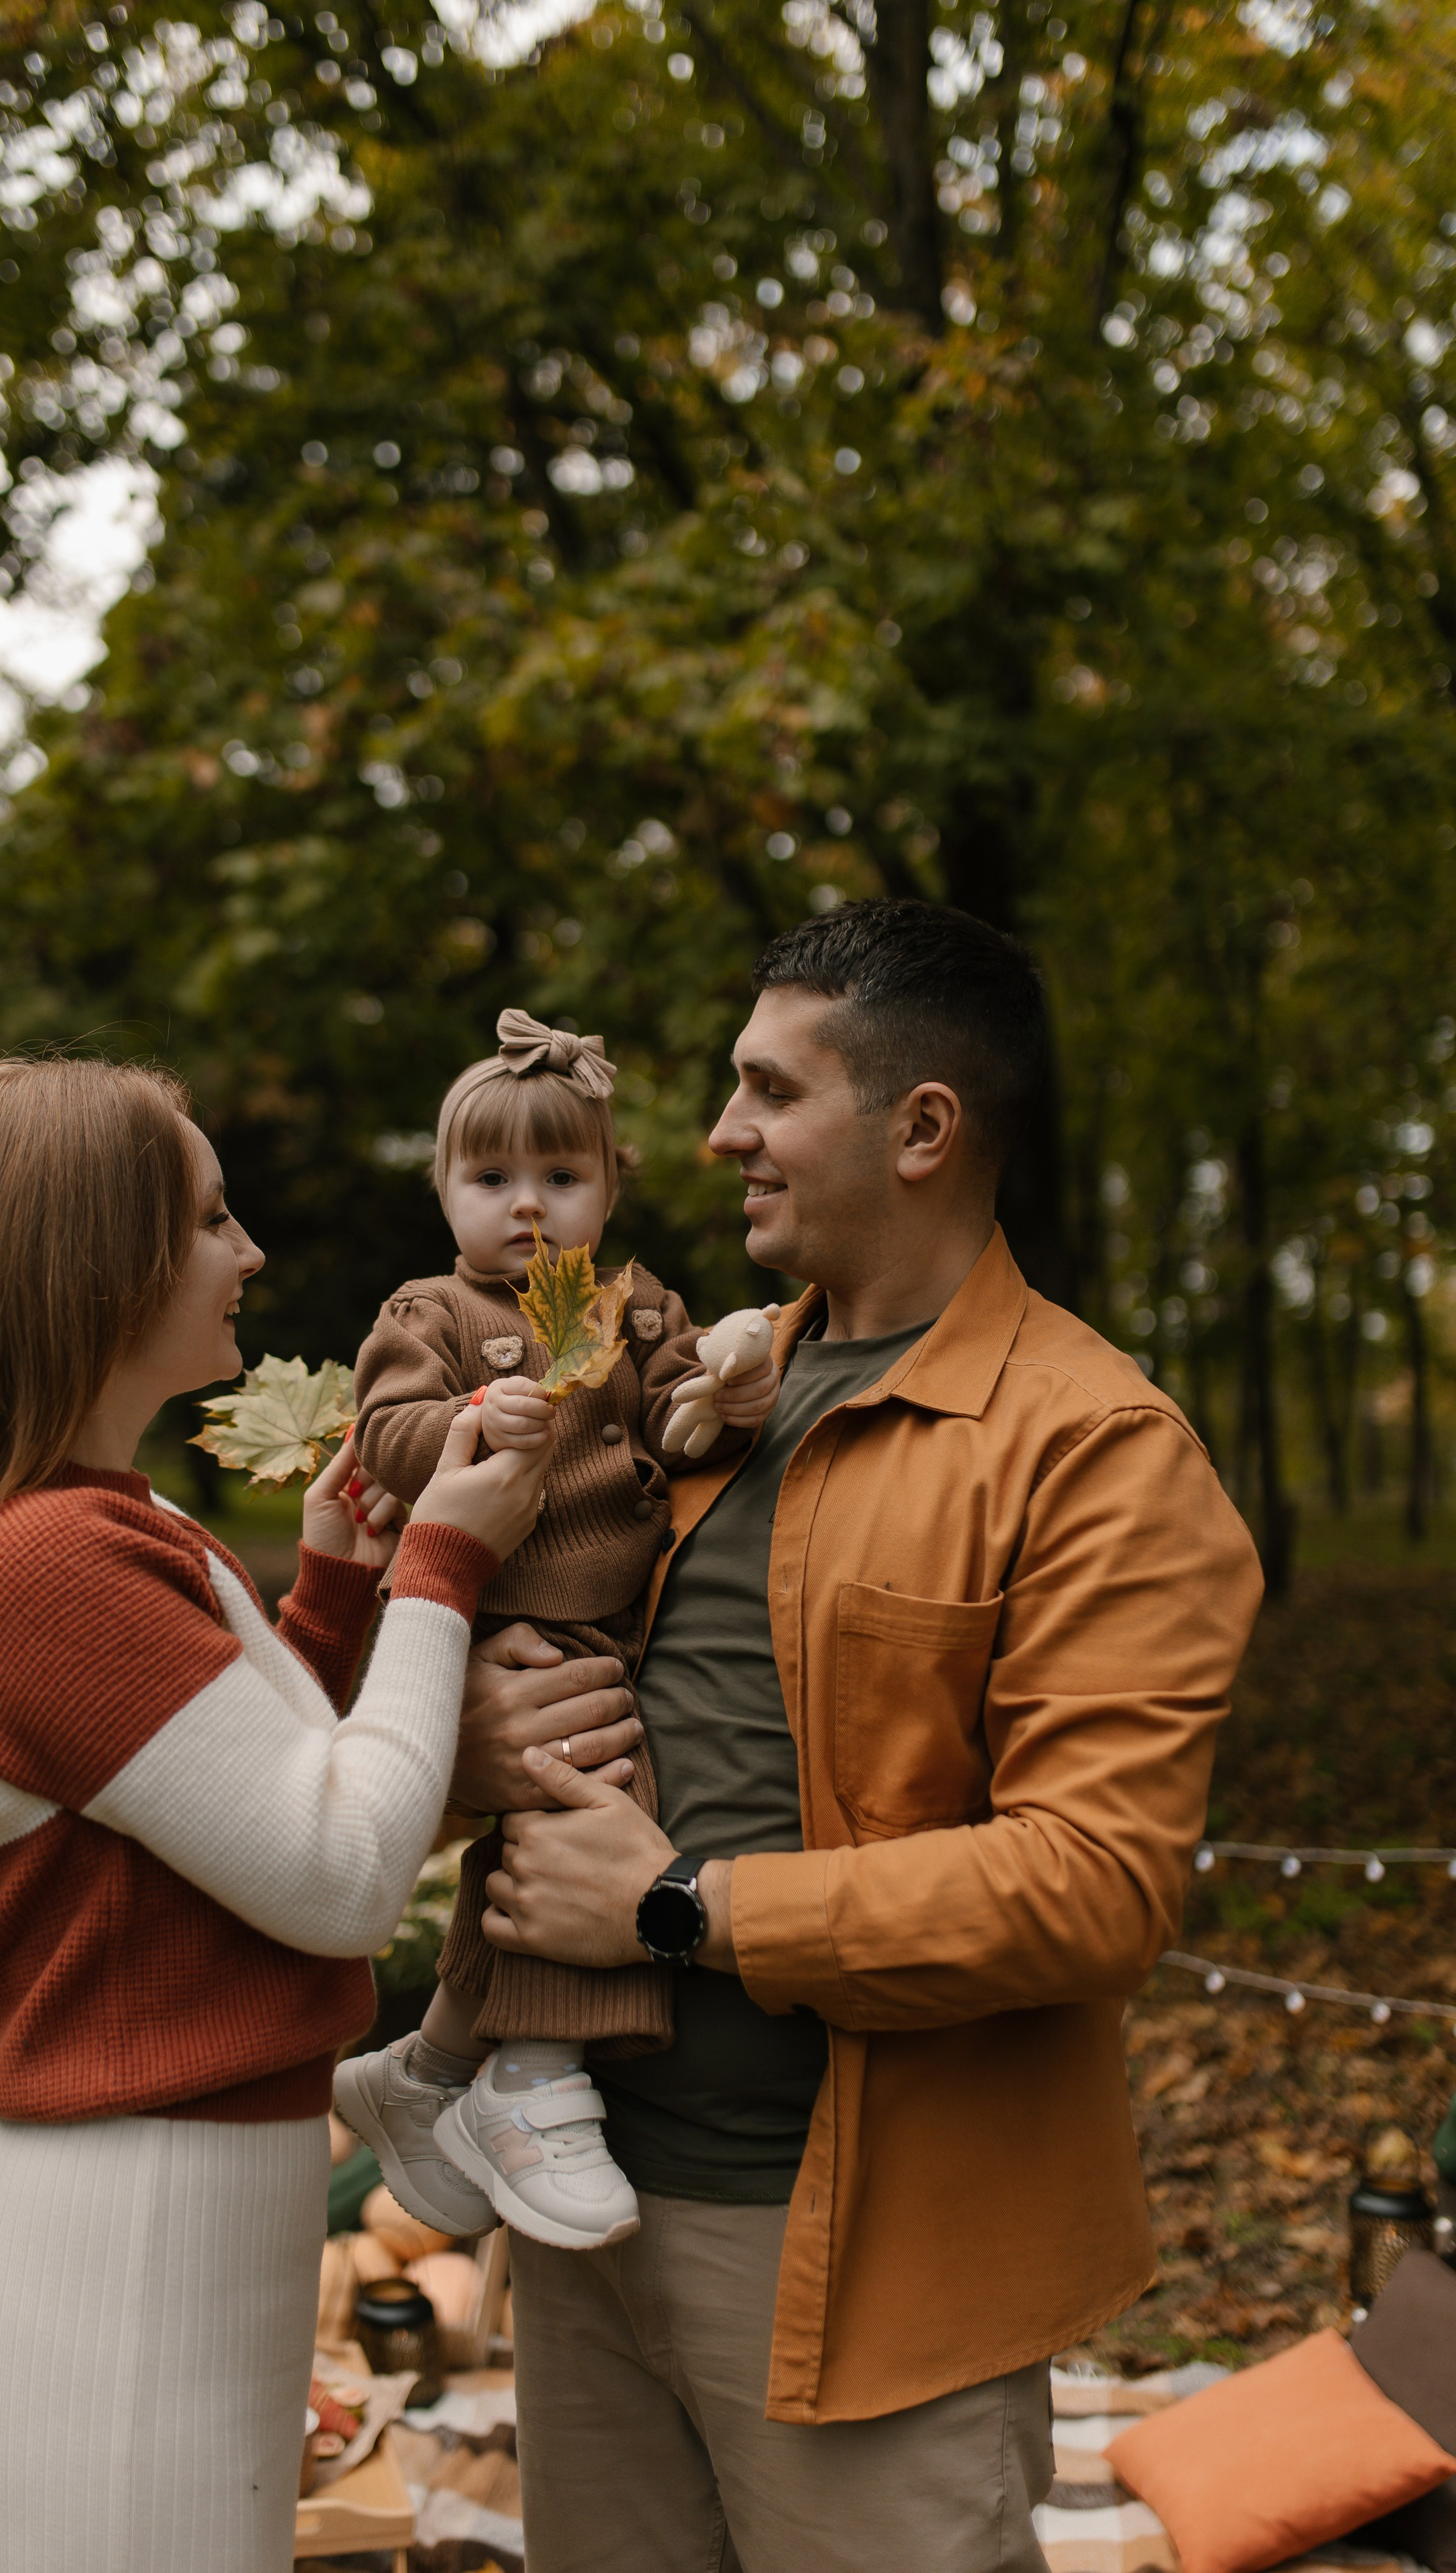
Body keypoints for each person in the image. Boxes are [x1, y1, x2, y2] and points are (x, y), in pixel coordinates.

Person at [464, 899, 1266, 2573]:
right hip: (585, 2208)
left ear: (920, 1128)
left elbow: (1096, 1886)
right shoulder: (694, 1399)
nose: (718, 1134)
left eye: (768, 1092)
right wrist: (485, 1737)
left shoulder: (1091, 1448)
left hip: (859, 2268)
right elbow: (571, 1651)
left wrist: (683, 1908)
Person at [0, 1055, 545, 2573]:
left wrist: (335, 1593)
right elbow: (341, 1872)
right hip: (120, 2285)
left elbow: (226, 1818)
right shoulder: (43, 1566)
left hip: (173, 2253)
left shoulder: (110, 1522)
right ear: (95, 1258)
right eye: (212, 1218)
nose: (251, 1253)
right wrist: (441, 1575)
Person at [335, 1008, 780, 2252]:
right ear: (444, 1191)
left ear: (608, 1186)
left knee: (562, 1827)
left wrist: (729, 1390)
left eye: (562, 1177)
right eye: (492, 1179)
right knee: (589, 1819)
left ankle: (428, 2072)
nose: (527, 1208)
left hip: (615, 1620)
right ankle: (533, 2078)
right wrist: (477, 1421)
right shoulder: (429, 1313)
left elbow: (701, 1415)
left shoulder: (635, 1308)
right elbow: (385, 1436)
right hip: (504, 1620)